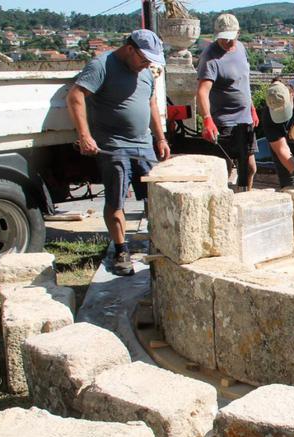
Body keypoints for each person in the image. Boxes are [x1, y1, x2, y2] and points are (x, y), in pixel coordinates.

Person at [66, 29, 169, 277]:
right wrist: (84, 136)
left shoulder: (146, 72)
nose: (147, 64)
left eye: (151, 60)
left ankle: (159, 243)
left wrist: (161, 137)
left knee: (155, 197)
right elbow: (75, 96)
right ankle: (121, 250)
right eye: (144, 58)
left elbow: (151, 103)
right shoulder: (102, 66)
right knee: (116, 200)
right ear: (130, 49)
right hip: (114, 145)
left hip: (143, 144)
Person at [196, 13, 258, 191]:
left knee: (250, 169)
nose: (227, 42)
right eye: (223, 38)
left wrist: (252, 108)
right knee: (224, 170)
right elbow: (202, 91)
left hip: (245, 120)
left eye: (231, 38)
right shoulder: (210, 58)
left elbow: (243, 81)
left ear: (238, 33)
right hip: (224, 122)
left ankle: (244, 201)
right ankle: (223, 207)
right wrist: (207, 119)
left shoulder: (241, 48)